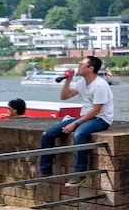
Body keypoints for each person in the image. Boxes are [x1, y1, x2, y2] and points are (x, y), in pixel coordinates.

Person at [37, 56, 114, 187]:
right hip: (85, 116)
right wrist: (68, 81)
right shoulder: (81, 82)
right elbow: (64, 96)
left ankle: (80, 173)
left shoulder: (100, 85)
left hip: (101, 119)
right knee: (48, 134)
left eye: (81, 65)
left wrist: (75, 123)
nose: (78, 67)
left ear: (91, 68)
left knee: (79, 134)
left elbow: (96, 110)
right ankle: (45, 172)